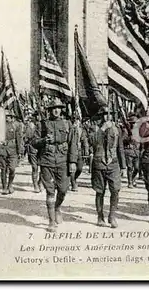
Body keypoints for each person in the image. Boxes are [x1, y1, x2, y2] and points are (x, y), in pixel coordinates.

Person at [32, 98, 78, 232]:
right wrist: (43, 140)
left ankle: (57, 208)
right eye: (53, 108)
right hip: (47, 161)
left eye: (58, 108)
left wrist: (73, 161)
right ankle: (51, 221)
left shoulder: (67, 124)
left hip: (63, 162)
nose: (56, 110)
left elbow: (72, 144)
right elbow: (33, 142)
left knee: (63, 190)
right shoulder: (42, 124)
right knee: (50, 191)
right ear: (50, 110)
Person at [89, 107, 126, 228]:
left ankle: (112, 215)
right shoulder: (94, 127)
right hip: (99, 163)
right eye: (104, 114)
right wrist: (102, 129)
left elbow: (120, 147)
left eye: (109, 114)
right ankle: (100, 217)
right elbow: (92, 142)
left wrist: (123, 166)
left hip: (113, 163)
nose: (106, 117)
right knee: (100, 191)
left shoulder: (117, 129)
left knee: (115, 190)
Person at [0, 110, 23, 195]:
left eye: (9, 116)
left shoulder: (16, 125)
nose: (7, 118)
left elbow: (19, 139)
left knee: (12, 169)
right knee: (3, 169)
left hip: (12, 150)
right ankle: (4, 188)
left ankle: (10, 184)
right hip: (2, 149)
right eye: (6, 116)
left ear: (12, 117)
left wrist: (19, 151)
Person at [70, 113, 89, 192]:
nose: (76, 121)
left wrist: (86, 149)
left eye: (77, 119)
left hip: (79, 151)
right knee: (71, 168)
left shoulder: (82, 130)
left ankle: (74, 178)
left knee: (80, 168)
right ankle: (73, 183)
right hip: (71, 151)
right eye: (74, 119)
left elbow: (84, 139)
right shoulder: (70, 128)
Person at [24, 112, 43, 193]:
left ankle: (40, 182)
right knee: (35, 167)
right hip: (33, 147)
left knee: (44, 168)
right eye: (36, 116)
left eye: (39, 116)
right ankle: (35, 185)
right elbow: (27, 137)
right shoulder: (31, 125)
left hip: (42, 148)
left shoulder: (44, 125)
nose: (38, 117)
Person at [122, 112, 141, 188]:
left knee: (137, 168)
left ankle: (133, 179)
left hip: (136, 151)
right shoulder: (126, 131)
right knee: (130, 167)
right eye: (132, 123)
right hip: (129, 151)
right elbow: (122, 141)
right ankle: (130, 182)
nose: (134, 124)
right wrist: (128, 138)